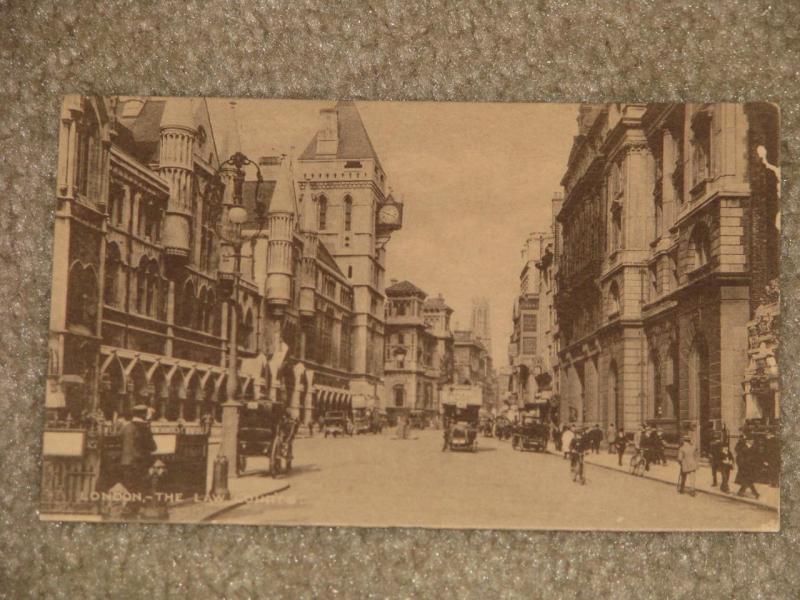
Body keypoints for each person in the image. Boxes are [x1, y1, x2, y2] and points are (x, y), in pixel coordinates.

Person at [120, 405, 157, 515]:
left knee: (131, 488)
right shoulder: (144, 428)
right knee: (140, 489)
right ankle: (132, 511)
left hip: (125, 462)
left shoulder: (126, 427)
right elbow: (153, 447)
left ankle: (129, 510)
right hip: (138, 463)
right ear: (143, 414)